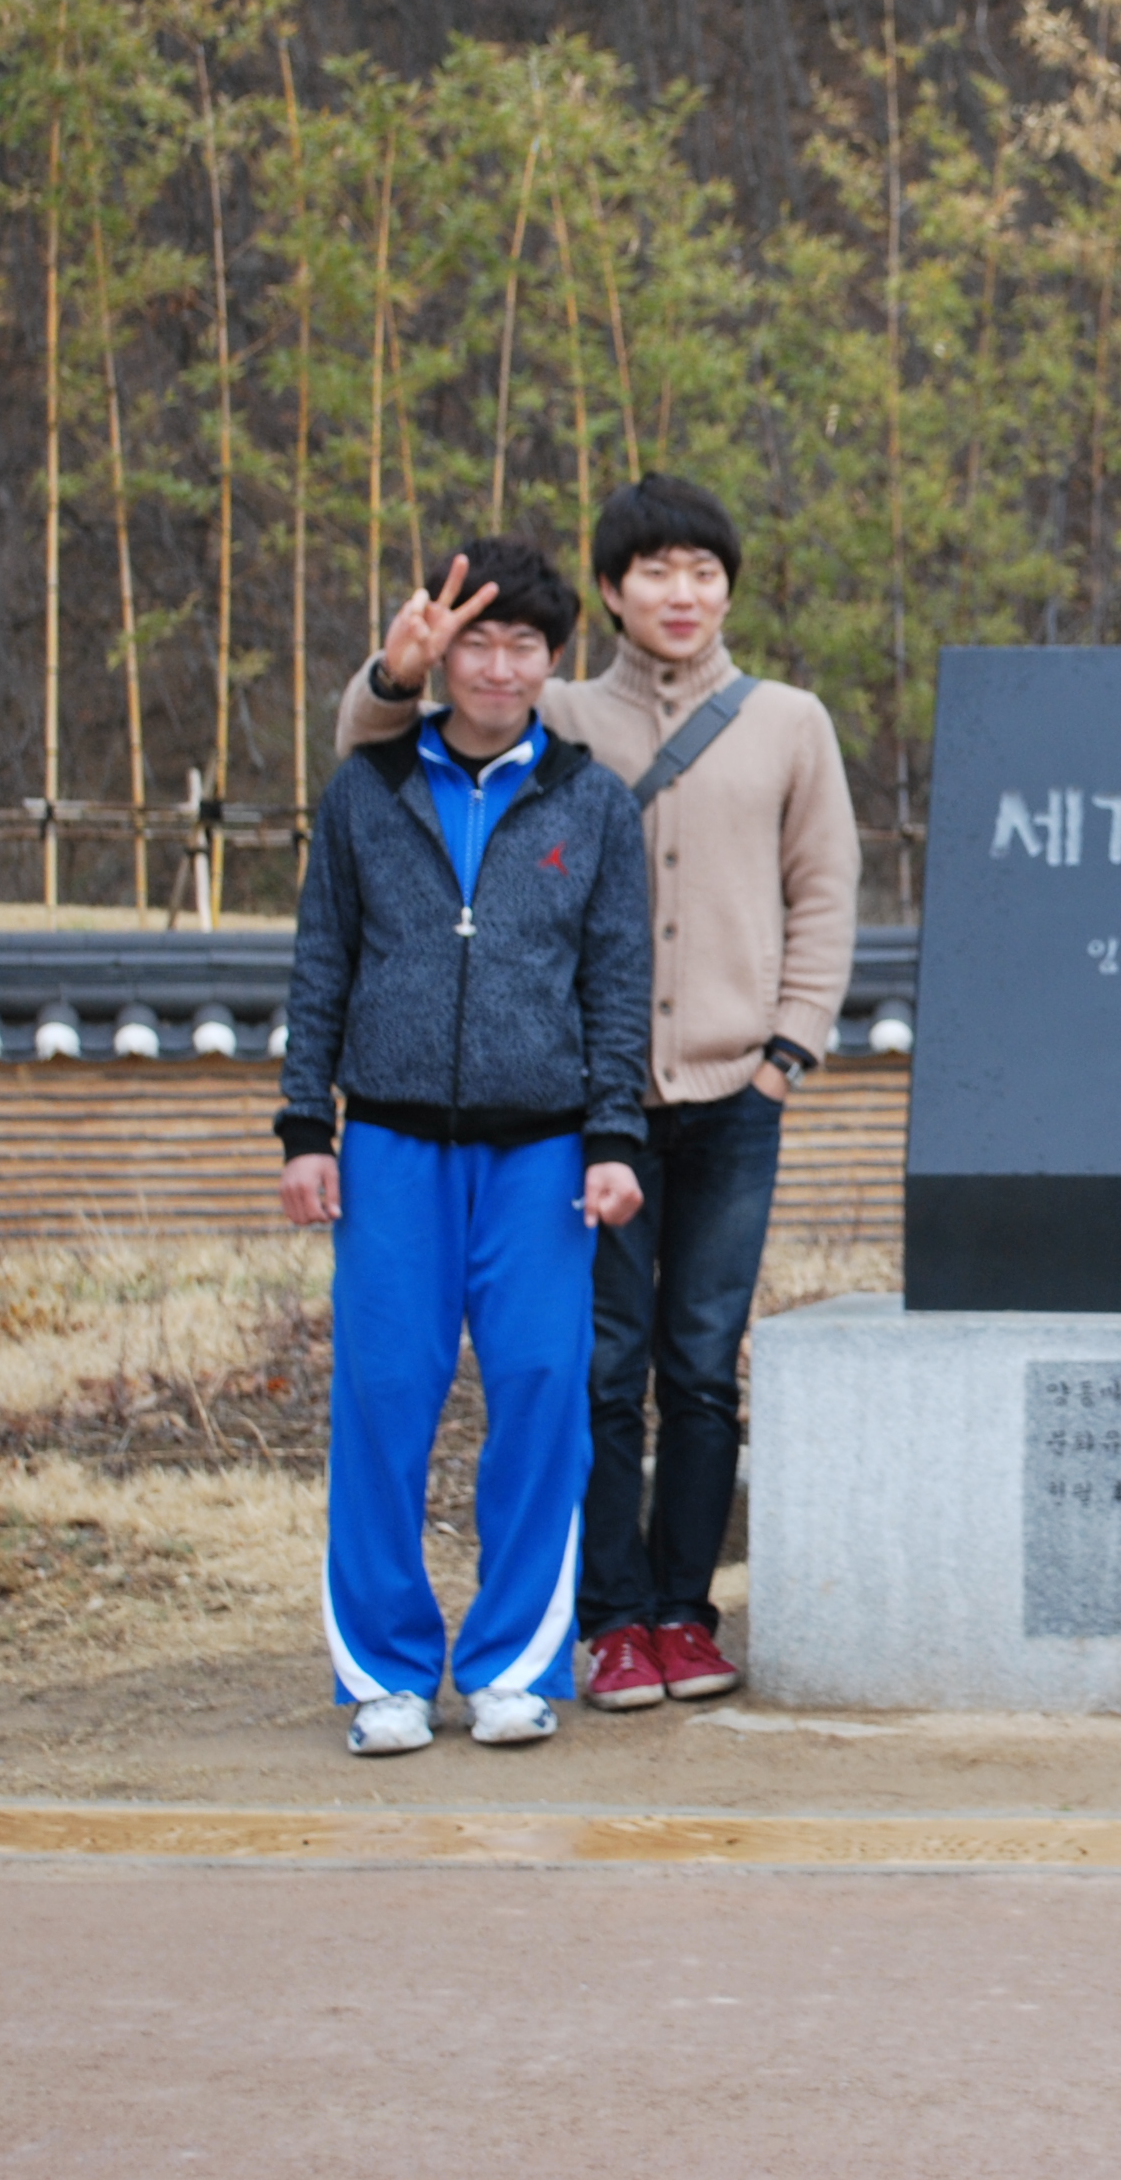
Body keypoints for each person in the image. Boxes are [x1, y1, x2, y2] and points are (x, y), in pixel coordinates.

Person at [345, 477, 860, 1711]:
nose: (682, 595)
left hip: (735, 1093)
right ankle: (610, 1620)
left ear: (728, 589)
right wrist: (394, 672)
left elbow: (824, 890)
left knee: (702, 1364)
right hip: (591, 1110)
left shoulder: (789, 722)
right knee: (599, 1367)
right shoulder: (557, 707)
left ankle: (686, 1612)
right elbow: (374, 764)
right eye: (654, 572)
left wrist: (785, 1053)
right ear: (613, 593)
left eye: (703, 573)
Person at [278, 534, 652, 1756]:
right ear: (439, 655)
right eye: (476, 644)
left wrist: (613, 1137)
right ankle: (384, 1673)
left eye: (523, 645)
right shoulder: (367, 790)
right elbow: (322, 960)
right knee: (384, 1396)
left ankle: (511, 1665)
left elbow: (615, 984)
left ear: (555, 659)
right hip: (389, 1144)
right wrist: (304, 1126)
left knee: (543, 1392)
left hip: (542, 1154)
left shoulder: (593, 803)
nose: (498, 668)